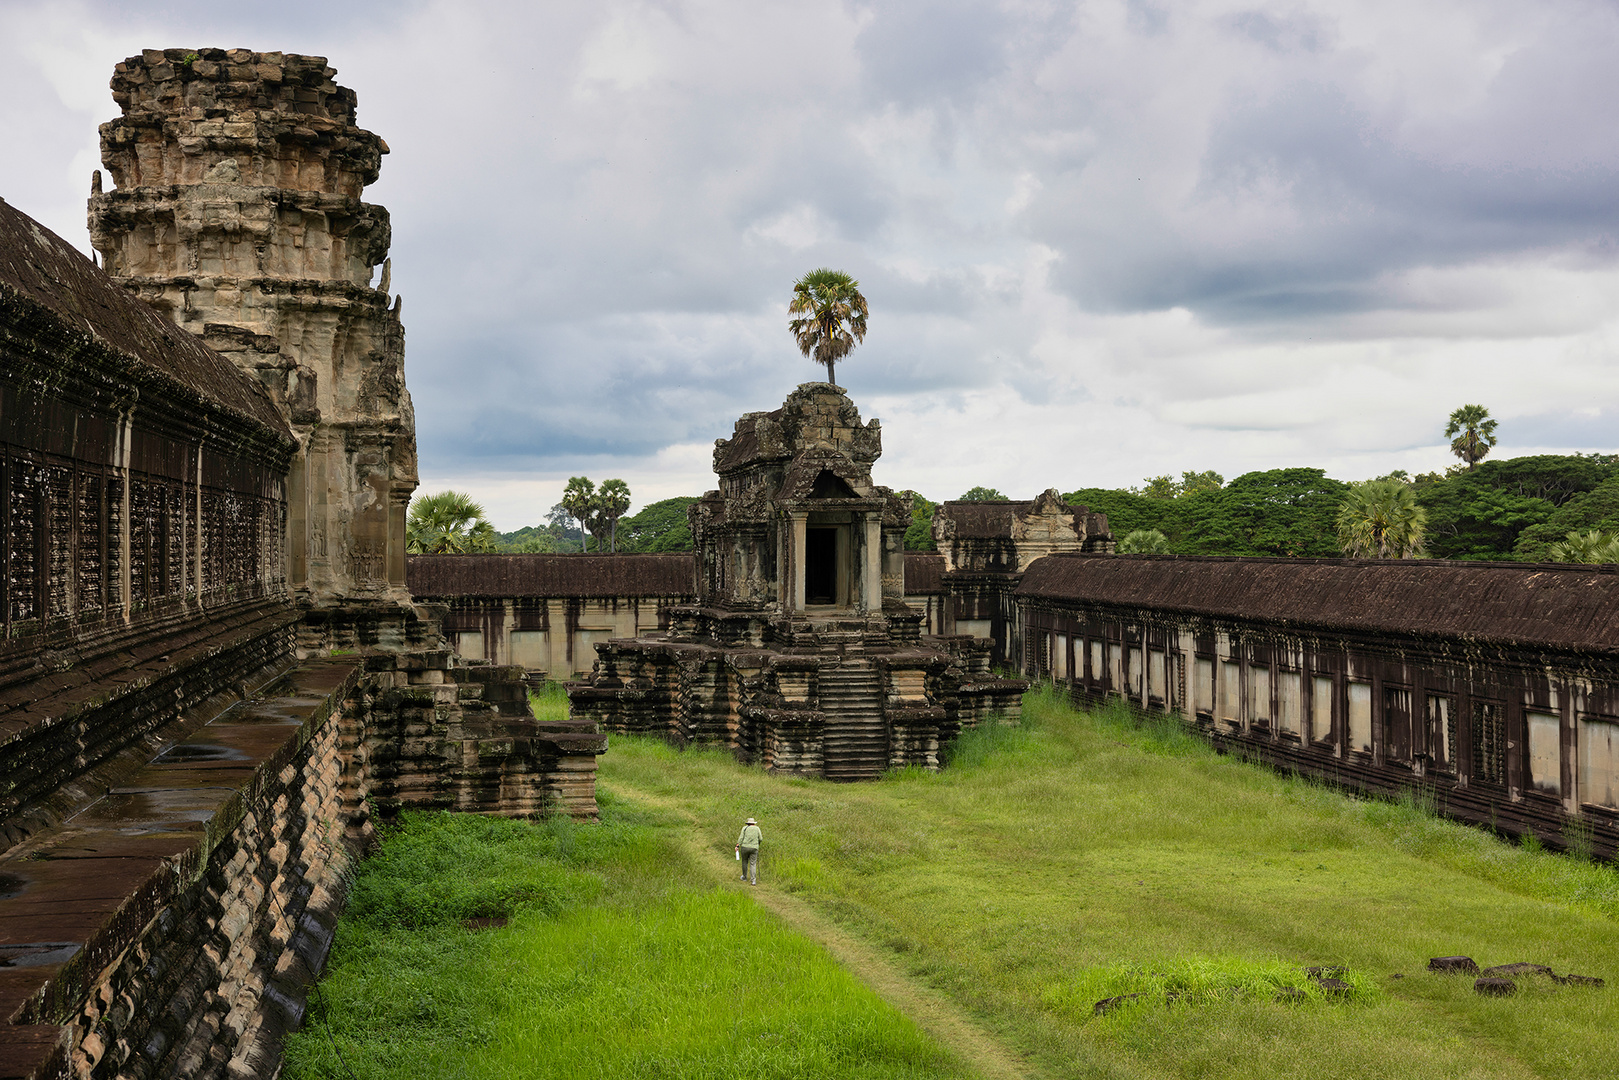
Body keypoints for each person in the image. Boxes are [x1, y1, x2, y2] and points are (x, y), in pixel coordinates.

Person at [736, 817, 762, 885]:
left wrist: (737, 846)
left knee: (744, 862)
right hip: (754, 848)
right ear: (754, 823)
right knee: (753, 863)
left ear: (748, 823)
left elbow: (741, 837)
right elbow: (761, 838)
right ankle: (753, 880)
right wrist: (757, 844)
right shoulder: (757, 828)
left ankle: (744, 877)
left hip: (745, 847)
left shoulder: (744, 828)